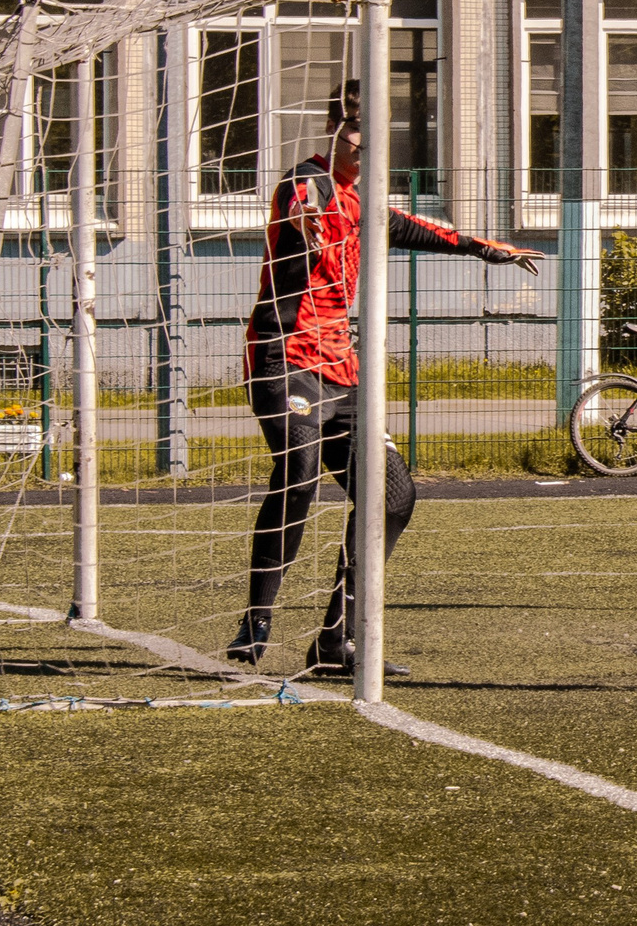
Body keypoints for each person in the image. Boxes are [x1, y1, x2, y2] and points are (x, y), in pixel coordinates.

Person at [227, 95, 540, 675]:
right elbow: (302, 207)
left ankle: (336, 640)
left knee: (394, 495)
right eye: (352, 132)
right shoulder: (307, 182)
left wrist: (484, 248)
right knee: (298, 477)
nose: (361, 145)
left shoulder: (367, 204)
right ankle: (256, 622)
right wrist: (308, 229)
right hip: (284, 358)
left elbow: (417, 227)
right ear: (334, 129)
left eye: (372, 136)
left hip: (341, 371)